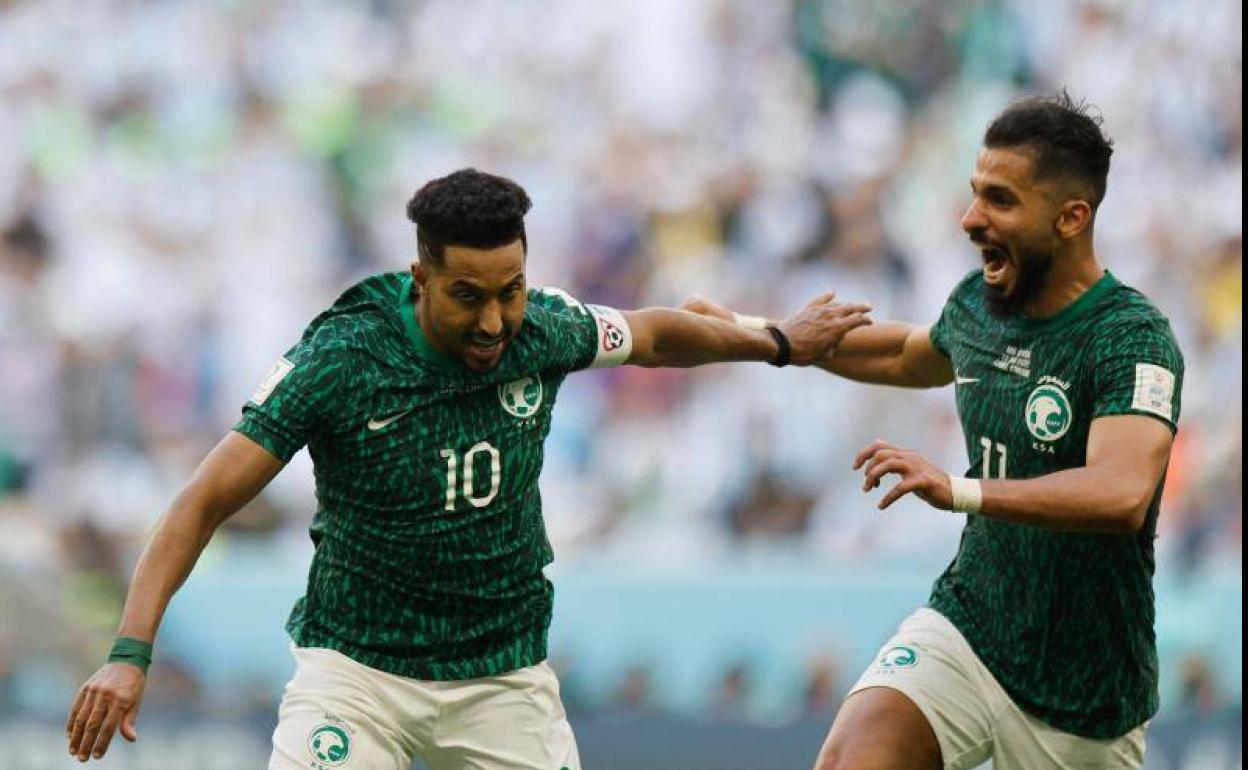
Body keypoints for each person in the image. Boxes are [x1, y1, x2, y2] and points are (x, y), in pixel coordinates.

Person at [64, 168, 872, 769]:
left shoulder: (544, 328)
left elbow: (656, 334)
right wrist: (131, 654)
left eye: (510, 291)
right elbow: (200, 501)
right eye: (467, 296)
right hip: (358, 673)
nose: (494, 321)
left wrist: (776, 341)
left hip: (502, 679)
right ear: (421, 278)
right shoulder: (342, 358)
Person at [686, 92, 1184, 770]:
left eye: (1000, 201)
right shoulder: (981, 303)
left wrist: (962, 490)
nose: (970, 218)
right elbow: (902, 353)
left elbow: (1121, 494)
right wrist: (755, 334)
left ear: (1072, 218)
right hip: (970, 628)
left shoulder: (1130, 337)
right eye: (975, 193)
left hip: (1086, 695)